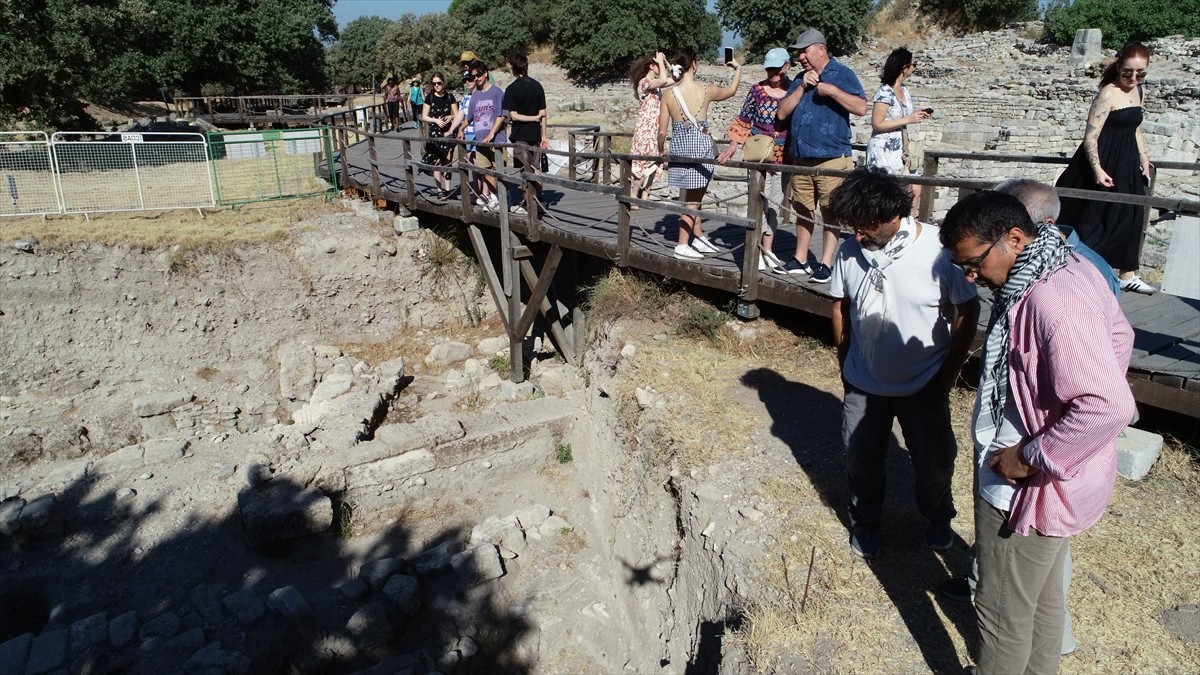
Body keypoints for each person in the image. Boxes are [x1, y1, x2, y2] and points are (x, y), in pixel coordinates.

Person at [940, 191, 1135, 675]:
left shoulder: (1050, 300)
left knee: (1001, 612)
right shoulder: (1067, 264)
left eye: (975, 263)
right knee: (1042, 603)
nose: (971, 276)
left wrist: (1029, 455)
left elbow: (1107, 406)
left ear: (1013, 237)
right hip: (1057, 483)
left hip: (1025, 488)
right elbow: (1121, 337)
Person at [826, 167, 979, 560]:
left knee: (933, 462)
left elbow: (967, 311)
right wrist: (847, 364)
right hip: (864, 382)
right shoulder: (850, 251)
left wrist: (946, 376)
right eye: (853, 226)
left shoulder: (938, 253)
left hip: (924, 383)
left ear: (895, 216)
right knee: (860, 458)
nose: (858, 235)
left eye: (866, 226)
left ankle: (938, 518)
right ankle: (866, 522)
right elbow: (841, 306)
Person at [1055, 42, 1155, 294]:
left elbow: (1135, 127)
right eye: (1127, 72)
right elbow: (1090, 136)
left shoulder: (1139, 91)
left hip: (1127, 160)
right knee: (1093, 218)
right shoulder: (1107, 94)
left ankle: (1127, 273)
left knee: (1131, 214)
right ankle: (1075, 269)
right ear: (1118, 67)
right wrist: (1097, 169)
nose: (1133, 78)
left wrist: (1143, 156)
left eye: (1140, 73)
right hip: (1102, 160)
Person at [777, 28, 868, 283]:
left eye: (804, 52)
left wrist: (832, 91)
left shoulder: (842, 74)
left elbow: (861, 107)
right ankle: (800, 258)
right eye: (798, 54)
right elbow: (782, 113)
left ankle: (826, 263)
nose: (801, 57)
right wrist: (801, 87)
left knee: (831, 212)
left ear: (821, 49)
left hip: (832, 158)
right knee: (803, 209)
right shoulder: (799, 78)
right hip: (802, 159)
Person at [658, 46, 742, 261]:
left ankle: (698, 237)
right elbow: (731, 91)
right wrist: (737, 69)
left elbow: (661, 130)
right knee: (693, 201)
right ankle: (682, 244)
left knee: (692, 196)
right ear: (694, 65)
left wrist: (661, 151)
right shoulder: (706, 90)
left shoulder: (668, 93)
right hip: (700, 147)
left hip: (678, 147)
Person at [717, 47, 792, 275]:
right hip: (761, 154)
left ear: (787, 66)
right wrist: (732, 146)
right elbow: (744, 118)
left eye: (777, 69)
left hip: (785, 155)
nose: (773, 74)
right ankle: (757, 251)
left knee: (776, 203)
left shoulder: (794, 90)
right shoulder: (757, 90)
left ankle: (768, 248)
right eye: (770, 69)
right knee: (761, 201)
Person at [866, 47, 930, 205]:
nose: (914, 68)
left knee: (913, 191)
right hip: (883, 151)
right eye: (913, 64)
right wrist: (908, 120)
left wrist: (917, 115)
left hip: (901, 150)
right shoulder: (884, 92)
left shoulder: (905, 90)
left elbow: (901, 115)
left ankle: (905, 228)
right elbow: (877, 123)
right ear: (904, 67)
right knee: (884, 197)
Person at [502, 50, 548, 216]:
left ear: (513, 68)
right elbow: (543, 113)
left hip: (521, 133)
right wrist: (544, 135)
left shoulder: (512, 89)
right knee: (536, 168)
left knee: (524, 169)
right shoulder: (537, 86)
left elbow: (513, 115)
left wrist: (532, 118)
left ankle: (528, 203)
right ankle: (538, 198)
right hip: (535, 133)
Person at [628, 52, 673, 207]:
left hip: (656, 127)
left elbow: (676, 78)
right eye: (656, 64)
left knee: (655, 161)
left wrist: (665, 61)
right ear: (651, 65)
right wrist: (660, 62)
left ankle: (645, 195)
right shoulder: (644, 82)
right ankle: (634, 195)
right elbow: (663, 79)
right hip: (645, 128)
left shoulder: (656, 83)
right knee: (643, 161)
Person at [465, 59, 506, 210]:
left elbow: (502, 115)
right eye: (474, 76)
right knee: (485, 170)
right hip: (481, 140)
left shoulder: (497, 92)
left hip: (496, 140)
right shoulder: (475, 96)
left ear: (486, 74)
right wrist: (458, 131)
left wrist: (492, 133)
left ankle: (500, 198)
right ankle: (495, 198)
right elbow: (468, 118)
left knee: (496, 171)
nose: (476, 78)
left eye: (479, 75)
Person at [420, 71, 459, 200]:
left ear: (443, 83)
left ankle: (448, 189)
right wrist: (435, 120)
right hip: (435, 132)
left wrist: (450, 117)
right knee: (436, 161)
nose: (437, 85)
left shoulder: (450, 97)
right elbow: (424, 116)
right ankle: (439, 190)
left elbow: (457, 114)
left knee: (447, 161)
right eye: (434, 83)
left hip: (448, 131)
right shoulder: (430, 97)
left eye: (439, 83)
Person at [448, 71, 481, 200]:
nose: (467, 82)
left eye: (469, 79)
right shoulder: (466, 97)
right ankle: (478, 192)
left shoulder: (480, 95)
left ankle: (486, 193)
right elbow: (461, 114)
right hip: (469, 133)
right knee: (473, 164)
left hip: (480, 134)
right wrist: (451, 130)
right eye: (465, 80)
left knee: (481, 164)